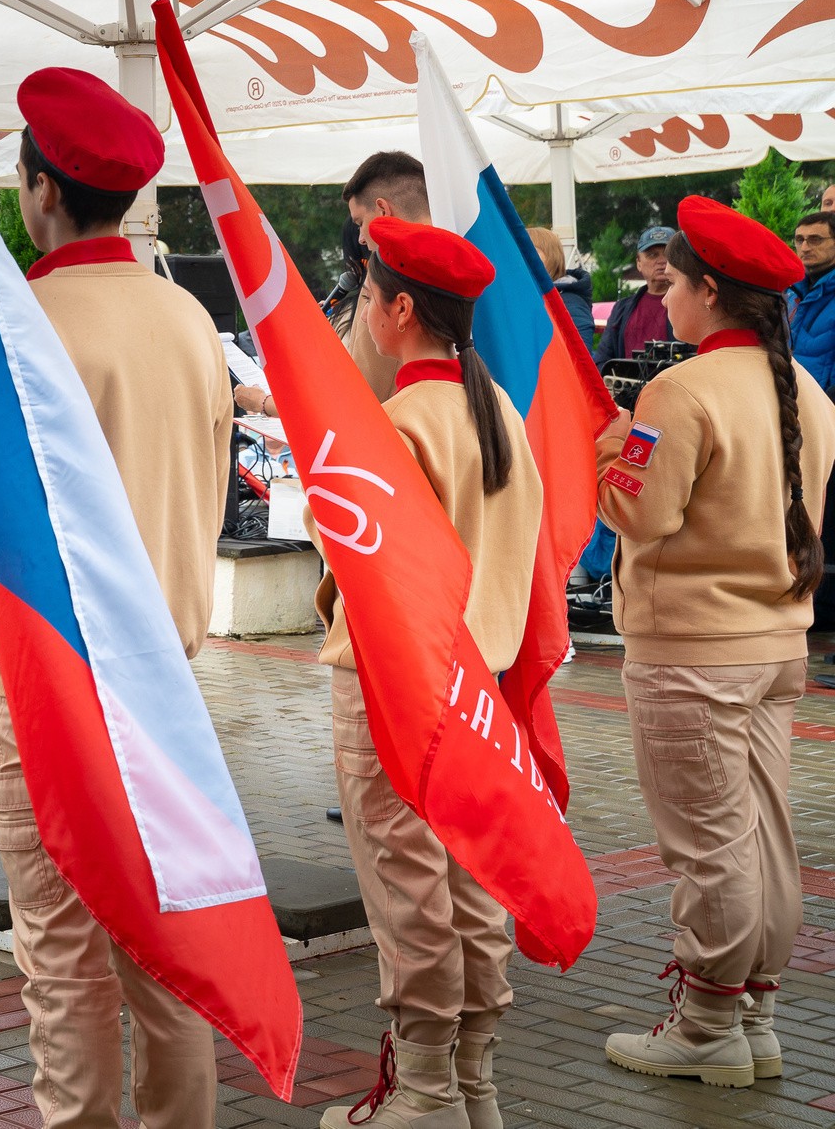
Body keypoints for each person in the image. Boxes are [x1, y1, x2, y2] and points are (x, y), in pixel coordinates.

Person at [0, 66, 237, 1129]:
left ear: (41, 188)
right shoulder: (189, 318)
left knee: (61, 957)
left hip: (52, 681)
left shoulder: (19, 321)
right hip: (169, 679)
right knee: (166, 942)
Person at [596, 197, 833, 1088]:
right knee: (763, 832)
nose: (664, 300)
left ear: (705, 291)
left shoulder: (681, 388)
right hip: (776, 643)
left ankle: (706, 1025)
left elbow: (642, 514)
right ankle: (753, 1012)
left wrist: (604, 451)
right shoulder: (804, 388)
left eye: (674, 285)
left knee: (708, 844)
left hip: (693, 648)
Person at [314, 219, 544, 1124]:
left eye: (367, 297)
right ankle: (473, 1081)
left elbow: (359, 577)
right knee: (470, 878)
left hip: (397, 688)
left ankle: (425, 1091)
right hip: (477, 687)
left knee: (406, 883)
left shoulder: (400, 424)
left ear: (401, 308)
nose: (362, 312)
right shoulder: (501, 415)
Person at [332, 151, 432, 400]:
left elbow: (364, 395)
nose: (361, 239)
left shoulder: (389, 270)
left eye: (360, 222)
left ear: (382, 210)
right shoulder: (465, 255)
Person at [596, 225, 679, 367]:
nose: (661, 260)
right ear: (638, 263)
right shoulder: (621, 310)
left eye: (668, 253)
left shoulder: (692, 305)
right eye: (652, 255)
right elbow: (602, 362)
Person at [527, 225, 595, 345]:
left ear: (552, 256)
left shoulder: (571, 303)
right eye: (521, 252)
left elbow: (579, 355)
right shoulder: (529, 297)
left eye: (533, 252)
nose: (525, 258)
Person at [791, 211, 834, 396]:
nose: (805, 247)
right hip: (789, 405)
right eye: (799, 240)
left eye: (815, 239)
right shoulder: (789, 291)